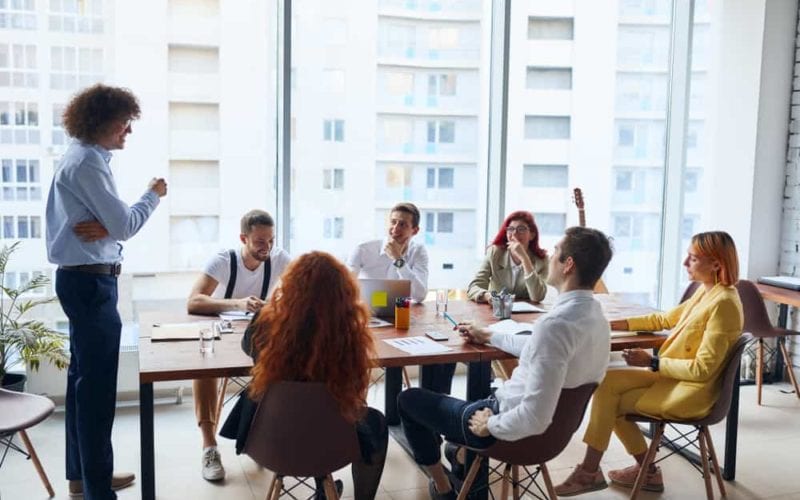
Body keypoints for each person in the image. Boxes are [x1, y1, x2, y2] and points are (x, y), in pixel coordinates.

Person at [398, 226, 613, 500]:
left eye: (556, 252)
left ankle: (443, 487)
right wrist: (489, 335)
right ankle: (460, 452)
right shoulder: (596, 319)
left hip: (510, 431)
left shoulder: (555, 326)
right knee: (471, 401)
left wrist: (492, 424)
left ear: (568, 264)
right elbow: (540, 347)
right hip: (554, 439)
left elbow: (535, 417)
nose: (549, 257)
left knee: (409, 400)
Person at [45, 84, 167, 499]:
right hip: (92, 285)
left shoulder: (84, 158)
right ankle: (98, 490)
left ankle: (85, 476)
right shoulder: (88, 164)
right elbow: (127, 225)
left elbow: (112, 226)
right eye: (124, 123)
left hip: (86, 279)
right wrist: (153, 194)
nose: (128, 131)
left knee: (83, 387)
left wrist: (109, 226)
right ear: (101, 122)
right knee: (96, 395)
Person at [555, 231, 743, 496]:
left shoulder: (724, 304)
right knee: (606, 382)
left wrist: (653, 362)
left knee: (611, 403)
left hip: (692, 391)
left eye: (693, 258)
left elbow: (703, 371)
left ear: (716, 264)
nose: (685, 262)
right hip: (676, 378)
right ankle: (644, 472)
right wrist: (616, 323)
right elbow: (664, 320)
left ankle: (591, 471)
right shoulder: (708, 292)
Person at [221, 252, 388, 500]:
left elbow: (248, 348)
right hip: (330, 440)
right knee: (368, 419)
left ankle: (323, 486)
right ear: (342, 291)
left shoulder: (265, 321)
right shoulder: (349, 331)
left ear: (290, 284)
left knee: (303, 409)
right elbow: (353, 388)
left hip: (270, 437)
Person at [185, 209, 291, 481]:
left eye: (270, 240)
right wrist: (238, 303)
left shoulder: (278, 258)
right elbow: (194, 301)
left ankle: (266, 437)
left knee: (289, 365)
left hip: (256, 336)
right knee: (204, 368)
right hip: (221, 332)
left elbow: (299, 293)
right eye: (259, 242)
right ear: (243, 238)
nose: (266, 247)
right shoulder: (223, 260)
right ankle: (209, 447)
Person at [347, 202, 429, 303]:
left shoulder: (418, 251)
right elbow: (345, 288)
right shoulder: (363, 249)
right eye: (393, 222)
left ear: (415, 231)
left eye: (402, 224)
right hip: (367, 312)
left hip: (402, 312)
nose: (395, 228)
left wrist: (398, 259)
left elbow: (420, 296)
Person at [467, 210, 549, 303]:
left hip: (527, 315)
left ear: (532, 235)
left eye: (521, 229)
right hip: (496, 311)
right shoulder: (495, 253)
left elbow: (537, 296)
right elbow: (474, 286)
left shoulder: (542, 260)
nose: (514, 233)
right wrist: (488, 296)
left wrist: (524, 258)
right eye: (510, 229)